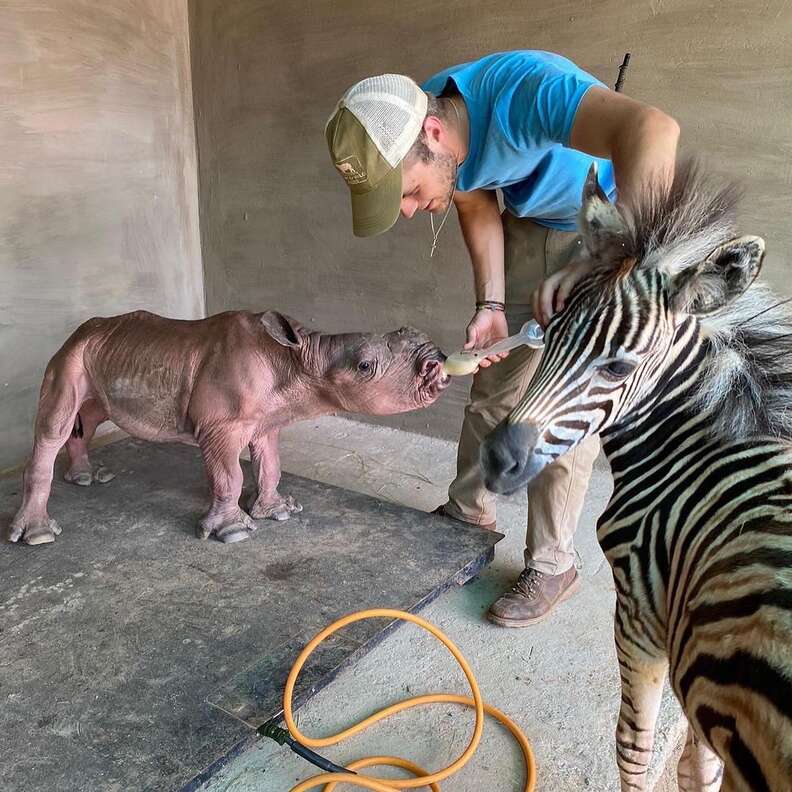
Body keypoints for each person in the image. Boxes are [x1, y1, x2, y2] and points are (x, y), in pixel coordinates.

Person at [325, 51, 679, 628]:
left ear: (433, 135)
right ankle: (466, 516)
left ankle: (553, 562)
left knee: (563, 404)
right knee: (491, 387)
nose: (411, 212)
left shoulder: (522, 92)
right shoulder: (432, 115)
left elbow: (654, 130)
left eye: (409, 192)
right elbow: (476, 200)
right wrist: (490, 305)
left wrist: (614, 258)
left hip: (607, 225)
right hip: (531, 221)